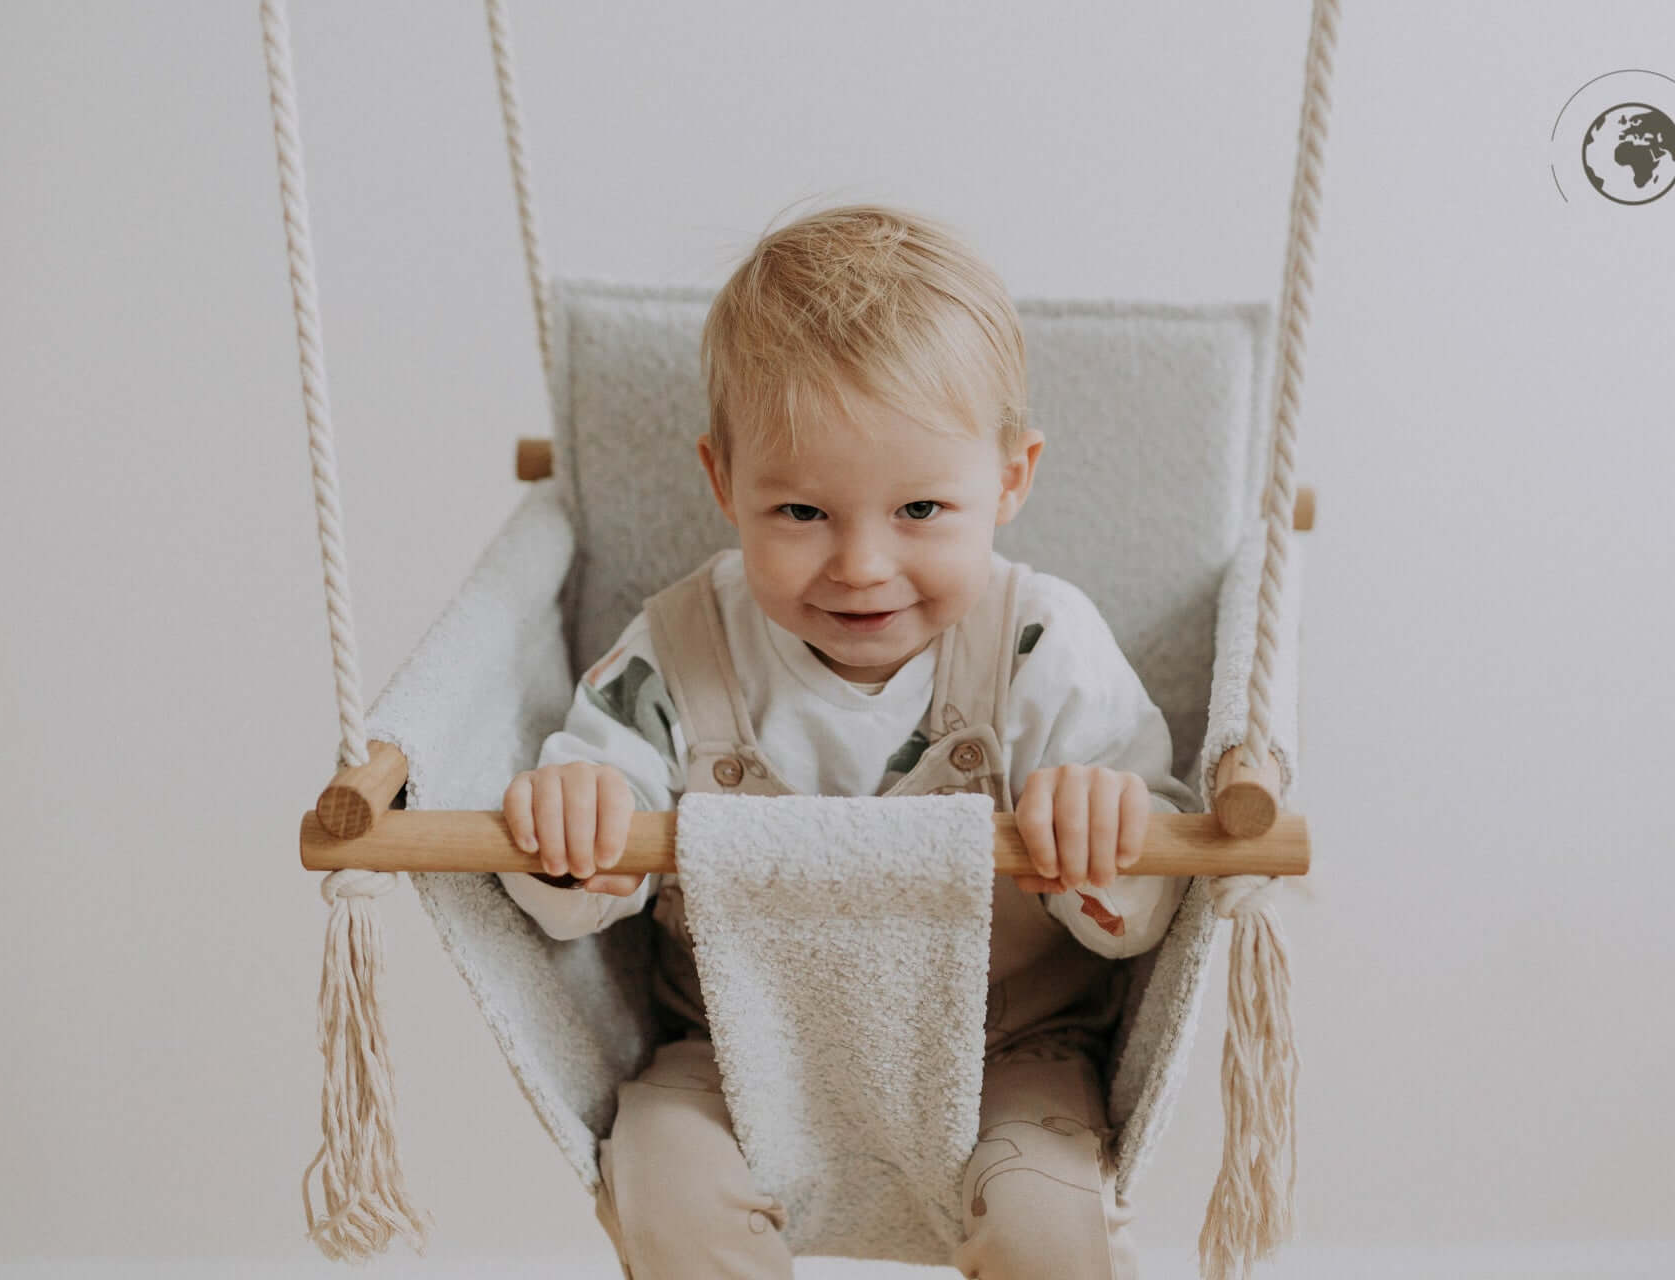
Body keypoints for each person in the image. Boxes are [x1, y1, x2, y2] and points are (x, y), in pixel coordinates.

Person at [498, 202, 1198, 1279]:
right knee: (659, 1179)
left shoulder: (1040, 643)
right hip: (734, 1044)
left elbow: (1137, 917)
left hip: (1006, 1049)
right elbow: (569, 890)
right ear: (724, 481)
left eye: (920, 506)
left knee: (1049, 1226)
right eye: (801, 513)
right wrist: (571, 825)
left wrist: (1109, 837)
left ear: (1012, 477)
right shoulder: (676, 649)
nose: (862, 564)